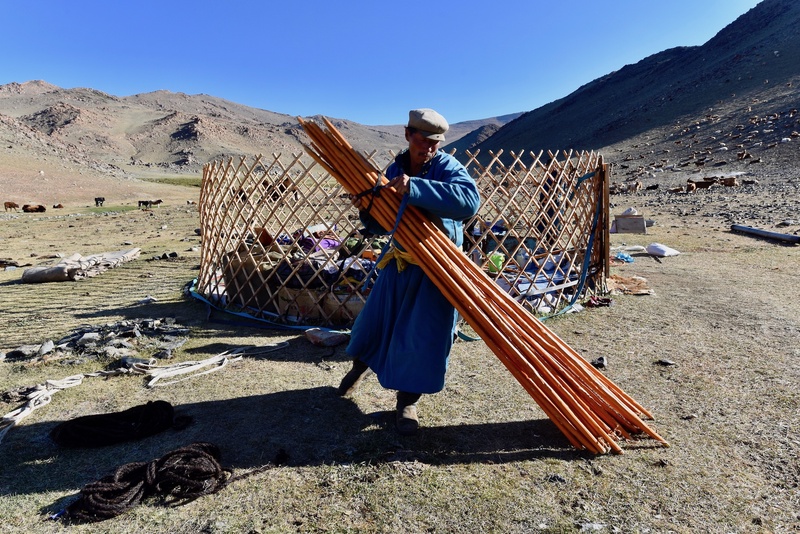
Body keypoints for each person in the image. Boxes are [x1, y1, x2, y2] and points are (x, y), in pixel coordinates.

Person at [338, 108, 481, 436]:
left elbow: (469, 202)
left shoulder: (447, 167)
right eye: (422, 140)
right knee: (375, 324)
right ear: (407, 135)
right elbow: (382, 223)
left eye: (435, 142)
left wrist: (415, 187)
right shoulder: (394, 169)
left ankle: (407, 402)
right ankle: (359, 368)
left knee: (422, 336)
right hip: (401, 259)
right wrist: (366, 209)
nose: (428, 148)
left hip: (436, 267)